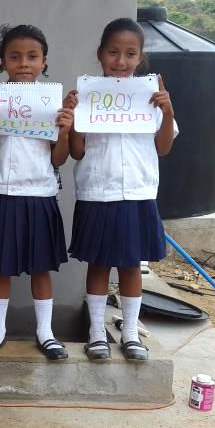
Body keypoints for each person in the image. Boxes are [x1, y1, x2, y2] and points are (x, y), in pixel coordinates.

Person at [68, 18, 177, 362]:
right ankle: (97, 333)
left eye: (130, 54)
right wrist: (74, 118)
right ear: (100, 53)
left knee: (131, 265)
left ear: (140, 57)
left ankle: (130, 332)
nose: (121, 60)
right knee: (99, 264)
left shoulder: (150, 97)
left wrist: (168, 110)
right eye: (113, 52)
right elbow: (76, 152)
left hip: (138, 192)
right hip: (98, 191)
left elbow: (163, 148)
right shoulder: (87, 96)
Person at [0, 24, 74, 360]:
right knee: (1, 266)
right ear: (2, 62)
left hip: (40, 194)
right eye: (15, 56)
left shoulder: (51, 103)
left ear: (44, 61)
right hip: (1, 193)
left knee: (41, 267)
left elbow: (58, 158)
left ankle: (46, 333)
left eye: (32, 56)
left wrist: (65, 132)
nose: (24, 63)